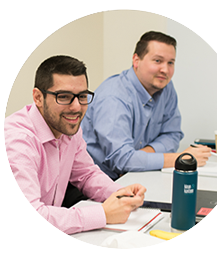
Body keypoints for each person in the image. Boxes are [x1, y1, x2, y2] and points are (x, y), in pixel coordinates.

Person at [4, 55, 146, 235]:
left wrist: (121, 194)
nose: (76, 107)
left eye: (82, 96)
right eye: (64, 97)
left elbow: (86, 174)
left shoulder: (67, 127)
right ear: (38, 97)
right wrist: (102, 214)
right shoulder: (17, 141)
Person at [81, 31, 211, 180]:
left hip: (135, 175)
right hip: (101, 182)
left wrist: (142, 156)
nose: (165, 70)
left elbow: (172, 134)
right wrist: (179, 159)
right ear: (136, 60)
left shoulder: (165, 87)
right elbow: (122, 161)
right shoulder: (114, 97)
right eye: (157, 61)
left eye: (170, 63)